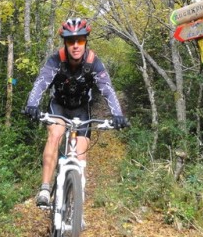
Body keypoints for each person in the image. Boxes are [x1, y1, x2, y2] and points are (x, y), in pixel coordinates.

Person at [23, 17, 128, 207]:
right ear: (65, 43)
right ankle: (45, 189)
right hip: (59, 106)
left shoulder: (93, 62)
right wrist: (32, 104)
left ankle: (76, 206)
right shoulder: (56, 60)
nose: (76, 45)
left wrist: (118, 115)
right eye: (71, 41)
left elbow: (107, 89)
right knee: (55, 135)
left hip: (81, 109)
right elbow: (41, 82)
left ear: (86, 41)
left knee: (80, 155)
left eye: (80, 40)